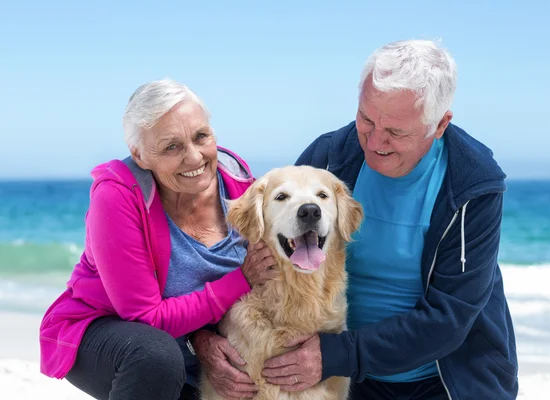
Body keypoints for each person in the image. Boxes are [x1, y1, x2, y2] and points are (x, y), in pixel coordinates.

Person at [260, 40, 519, 399]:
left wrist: (338, 354)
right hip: (346, 377)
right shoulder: (330, 157)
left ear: (440, 124)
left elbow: (449, 319)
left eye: (397, 132)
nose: (375, 141)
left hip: (447, 379)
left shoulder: (474, 185)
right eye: (366, 119)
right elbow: (265, 247)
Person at [39, 78, 277, 400]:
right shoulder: (117, 198)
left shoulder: (239, 183)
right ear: (139, 154)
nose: (194, 158)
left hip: (192, 342)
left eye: (201, 136)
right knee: (157, 357)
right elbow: (146, 319)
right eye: (171, 147)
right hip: (108, 334)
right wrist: (241, 279)